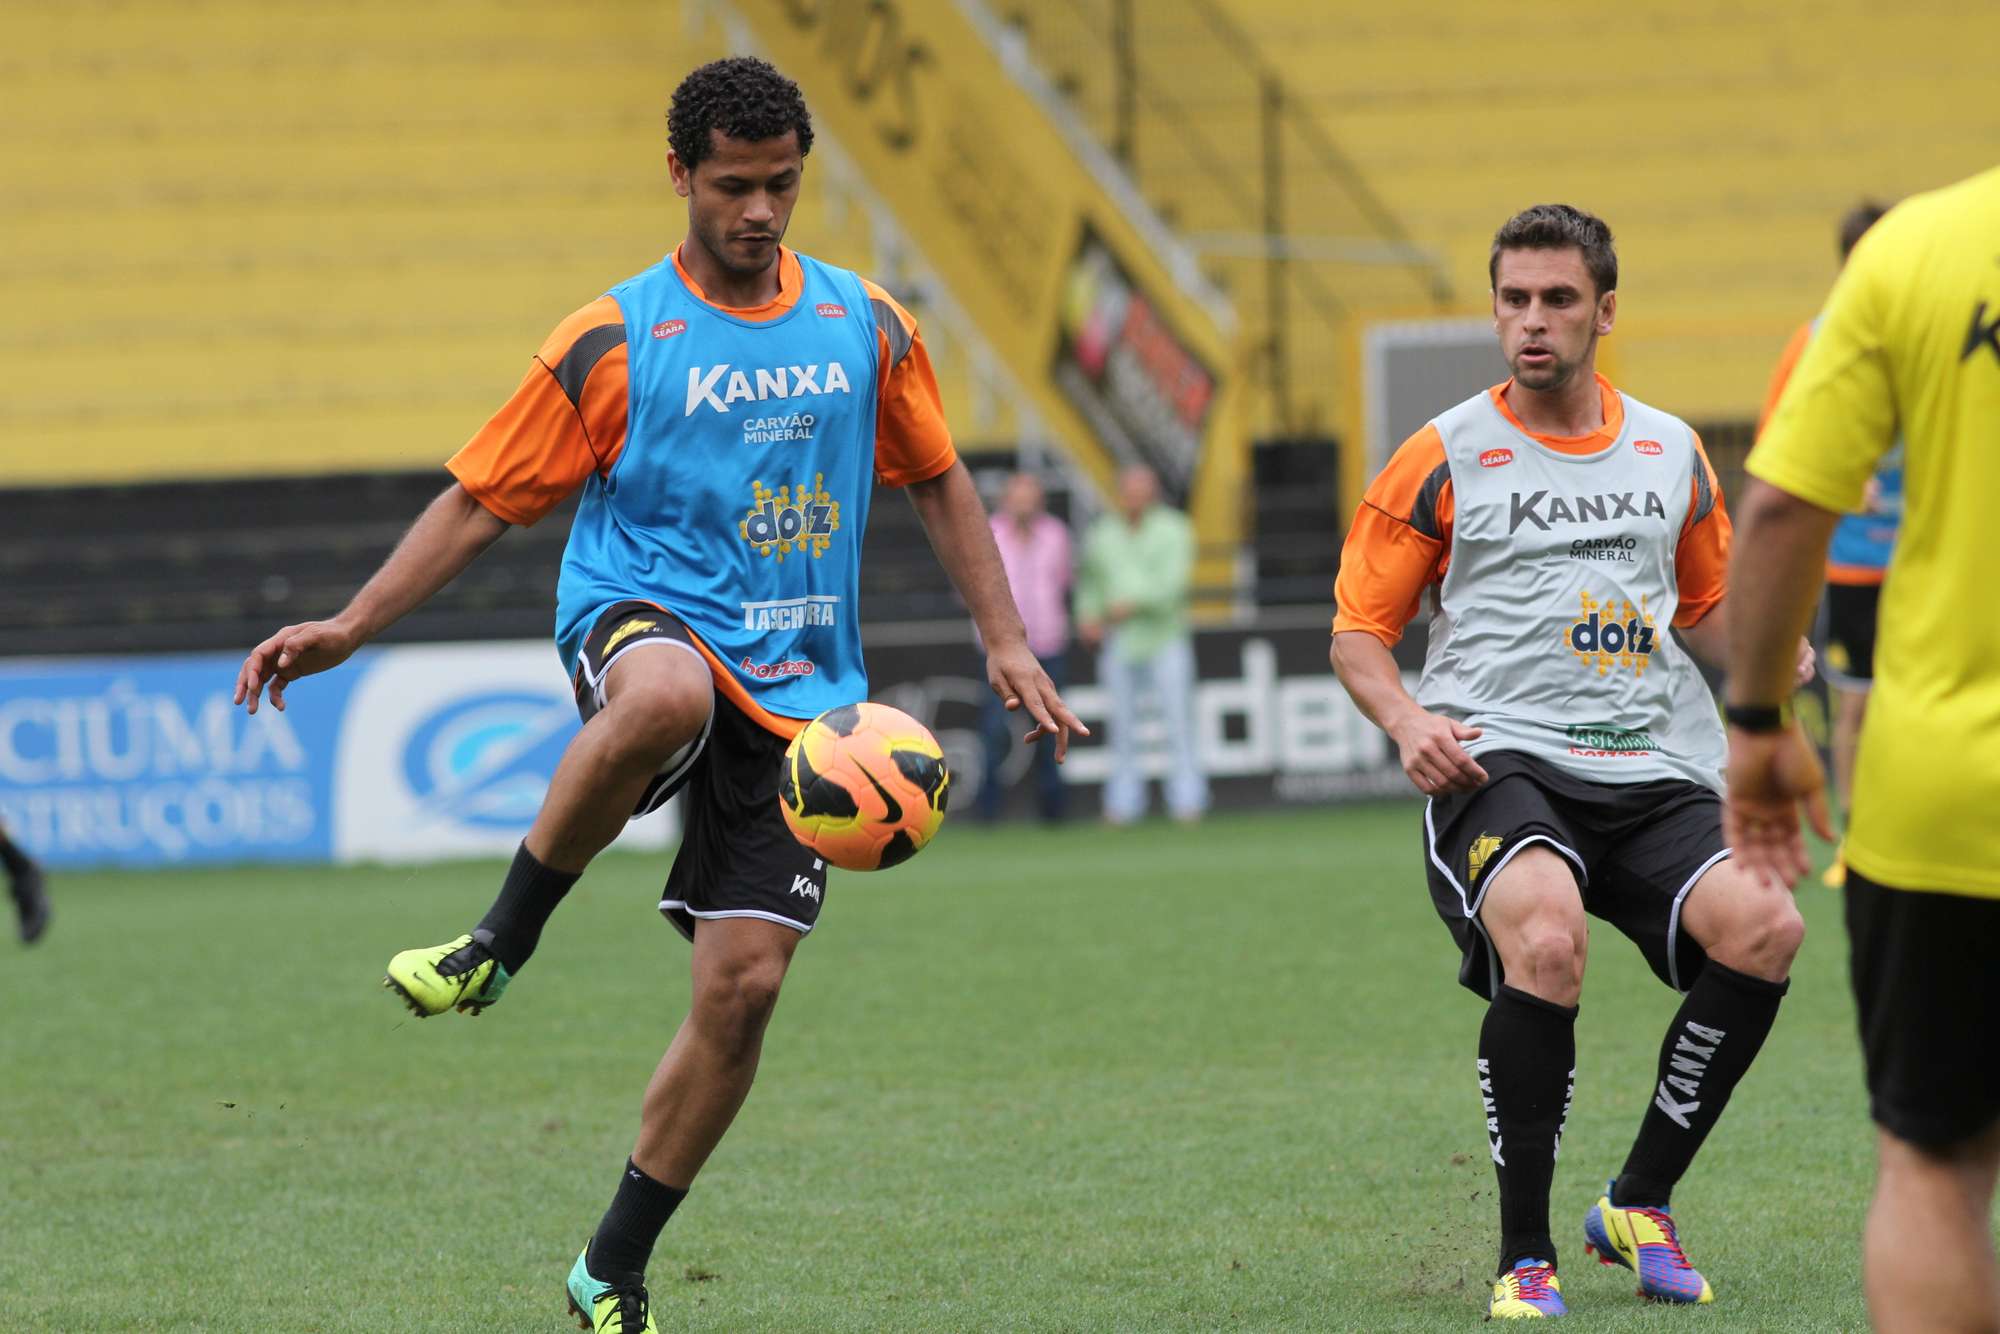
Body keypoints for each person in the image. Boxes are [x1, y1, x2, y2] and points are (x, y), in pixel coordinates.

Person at [232, 57, 1083, 1334]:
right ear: (678, 174)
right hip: (643, 615)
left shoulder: (865, 324)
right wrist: (354, 623)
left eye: (781, 185)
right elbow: (478, 499)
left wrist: (1004, 637)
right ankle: (495, 945)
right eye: (733, 186)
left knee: (741, 994)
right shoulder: (614, 337)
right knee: (665, 695)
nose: (759, 211)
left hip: (803, 692)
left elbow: (940, 477)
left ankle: (608, 1268)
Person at [1331, 203, 1812, 1320]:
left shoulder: (1668, 449)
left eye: (1555, 299)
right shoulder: (1439, 452)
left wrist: (1760, 647)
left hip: (1646, 765)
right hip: (1492, 759)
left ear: (1603, 310)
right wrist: (1407, 721)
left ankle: (1637, 1201)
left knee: (1767, 926)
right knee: (1544, 939)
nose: (1531, 321)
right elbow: (1358, 633)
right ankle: (1522, 1255)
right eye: (1512, 299)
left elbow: (1701, 611)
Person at [1724, 164, 2000, 1334]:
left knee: (1931, 1167)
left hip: (1948, 794)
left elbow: (1782, 507)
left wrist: (1750, 726)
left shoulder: (1916, 250)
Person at [1756, 200, 1898, 885]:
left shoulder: (1941, 328)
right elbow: (1776, 449)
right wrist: (1842, 478)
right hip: (1854, 562)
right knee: (1858, 705)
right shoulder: (1815, 341)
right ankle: (1856, 840)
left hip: (1936, 563)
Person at [1075, 464, 1206, 824]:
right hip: (1119, 642)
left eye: (1141, 489)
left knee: (1178, 723)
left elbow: (1172, 585)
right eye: (1128, 489)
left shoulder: (1174, 529)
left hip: (1165, 638)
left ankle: (1187, 802)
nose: (1134, 496)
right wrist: (1087, 615)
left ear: (1153, 492)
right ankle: (1122, 805)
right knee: (1121, 727)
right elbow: (1090, 583)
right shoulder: (1103, 533)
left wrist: (1129, 604)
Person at [979, 470, 1072, 822]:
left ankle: (1054, 813)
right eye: (1018, 497)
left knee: (1053, 729)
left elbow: (1063, 583)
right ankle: (987, 813)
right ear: (1006, 500)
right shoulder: (989, 533)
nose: (1024, 504)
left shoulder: (1056, 535)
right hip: (1000, 651)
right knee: (993, 730)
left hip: (1047, 645)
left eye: (1030, 497)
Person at [1, 817, 50, 945]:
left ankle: (37, 919)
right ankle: (27, 930)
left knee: (30, 901)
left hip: (27, 874)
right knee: (23, 901)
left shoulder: (8, 845)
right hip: (21, 876)